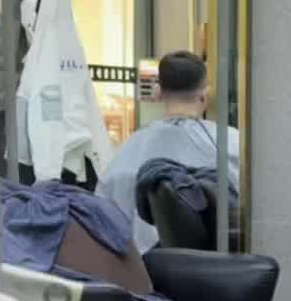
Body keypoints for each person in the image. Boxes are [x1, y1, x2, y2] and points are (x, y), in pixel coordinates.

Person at [97, 49, 240, 251]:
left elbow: (103, 215)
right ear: (205, 94)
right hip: (218, 262)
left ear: (158, 92)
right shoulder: (231, 142)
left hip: (147, 265)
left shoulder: (131, 151)